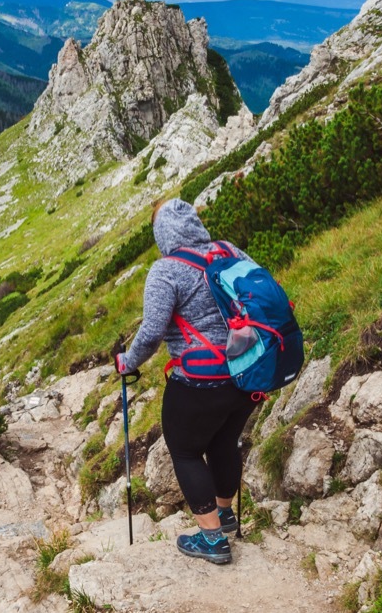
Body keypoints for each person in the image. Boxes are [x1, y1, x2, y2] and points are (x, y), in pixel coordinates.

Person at [114, 198, 259, 565]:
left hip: (199, 381)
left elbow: (151, 332)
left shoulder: (166, 270)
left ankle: (212, 540)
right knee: (225, 441)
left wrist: (128, 362)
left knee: (185, 451)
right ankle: (224, 514)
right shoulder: (229, 251)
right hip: (247, 374)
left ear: (161, 233)